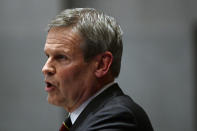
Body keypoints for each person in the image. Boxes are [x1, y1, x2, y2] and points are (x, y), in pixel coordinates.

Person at [42, 8, 154, 131]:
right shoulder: (85, 118)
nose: (46, 68)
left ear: (101, 64)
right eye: (48, 56)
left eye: (62, 57)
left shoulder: (118, 117)